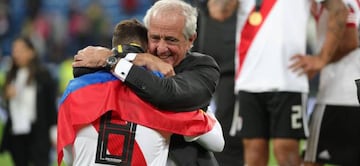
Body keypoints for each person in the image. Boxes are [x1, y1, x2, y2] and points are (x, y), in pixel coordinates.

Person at [72, 0, 221, 165]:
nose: (161, 48)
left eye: (171, 40)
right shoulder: (135, 61)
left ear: (190, 39)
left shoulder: (202, 67)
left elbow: (168, 95)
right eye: (155, 38)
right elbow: (81, 69)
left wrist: (114, 62)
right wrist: (133, 58)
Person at [234, 0, 347, 165]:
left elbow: (339, 9)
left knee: (285, 149)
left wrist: (322, 58)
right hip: (249, 78)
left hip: (289, 78)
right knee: (253, 150)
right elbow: (219, 12)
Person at [300, 0, 360, 165]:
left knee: (310, 161)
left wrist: (319, 61)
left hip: (339, 95)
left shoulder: (342, 4)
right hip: (349, 94)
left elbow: (350, 42)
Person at [192, 0, 244, 165]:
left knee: (228, 130)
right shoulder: (198, 11)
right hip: (200, 74)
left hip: (232, 74)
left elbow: (221, 10)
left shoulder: (245, 8)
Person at [0, 36, 58, 166]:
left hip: (38, 131)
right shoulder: (11, 75)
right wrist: (6, 96)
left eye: (20, 50)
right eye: (14, 50)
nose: (16, 54)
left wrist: (54, 129)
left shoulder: (43, 75)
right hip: (17, 131)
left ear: (31, 52)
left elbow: (50, 105)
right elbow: (6, 106)